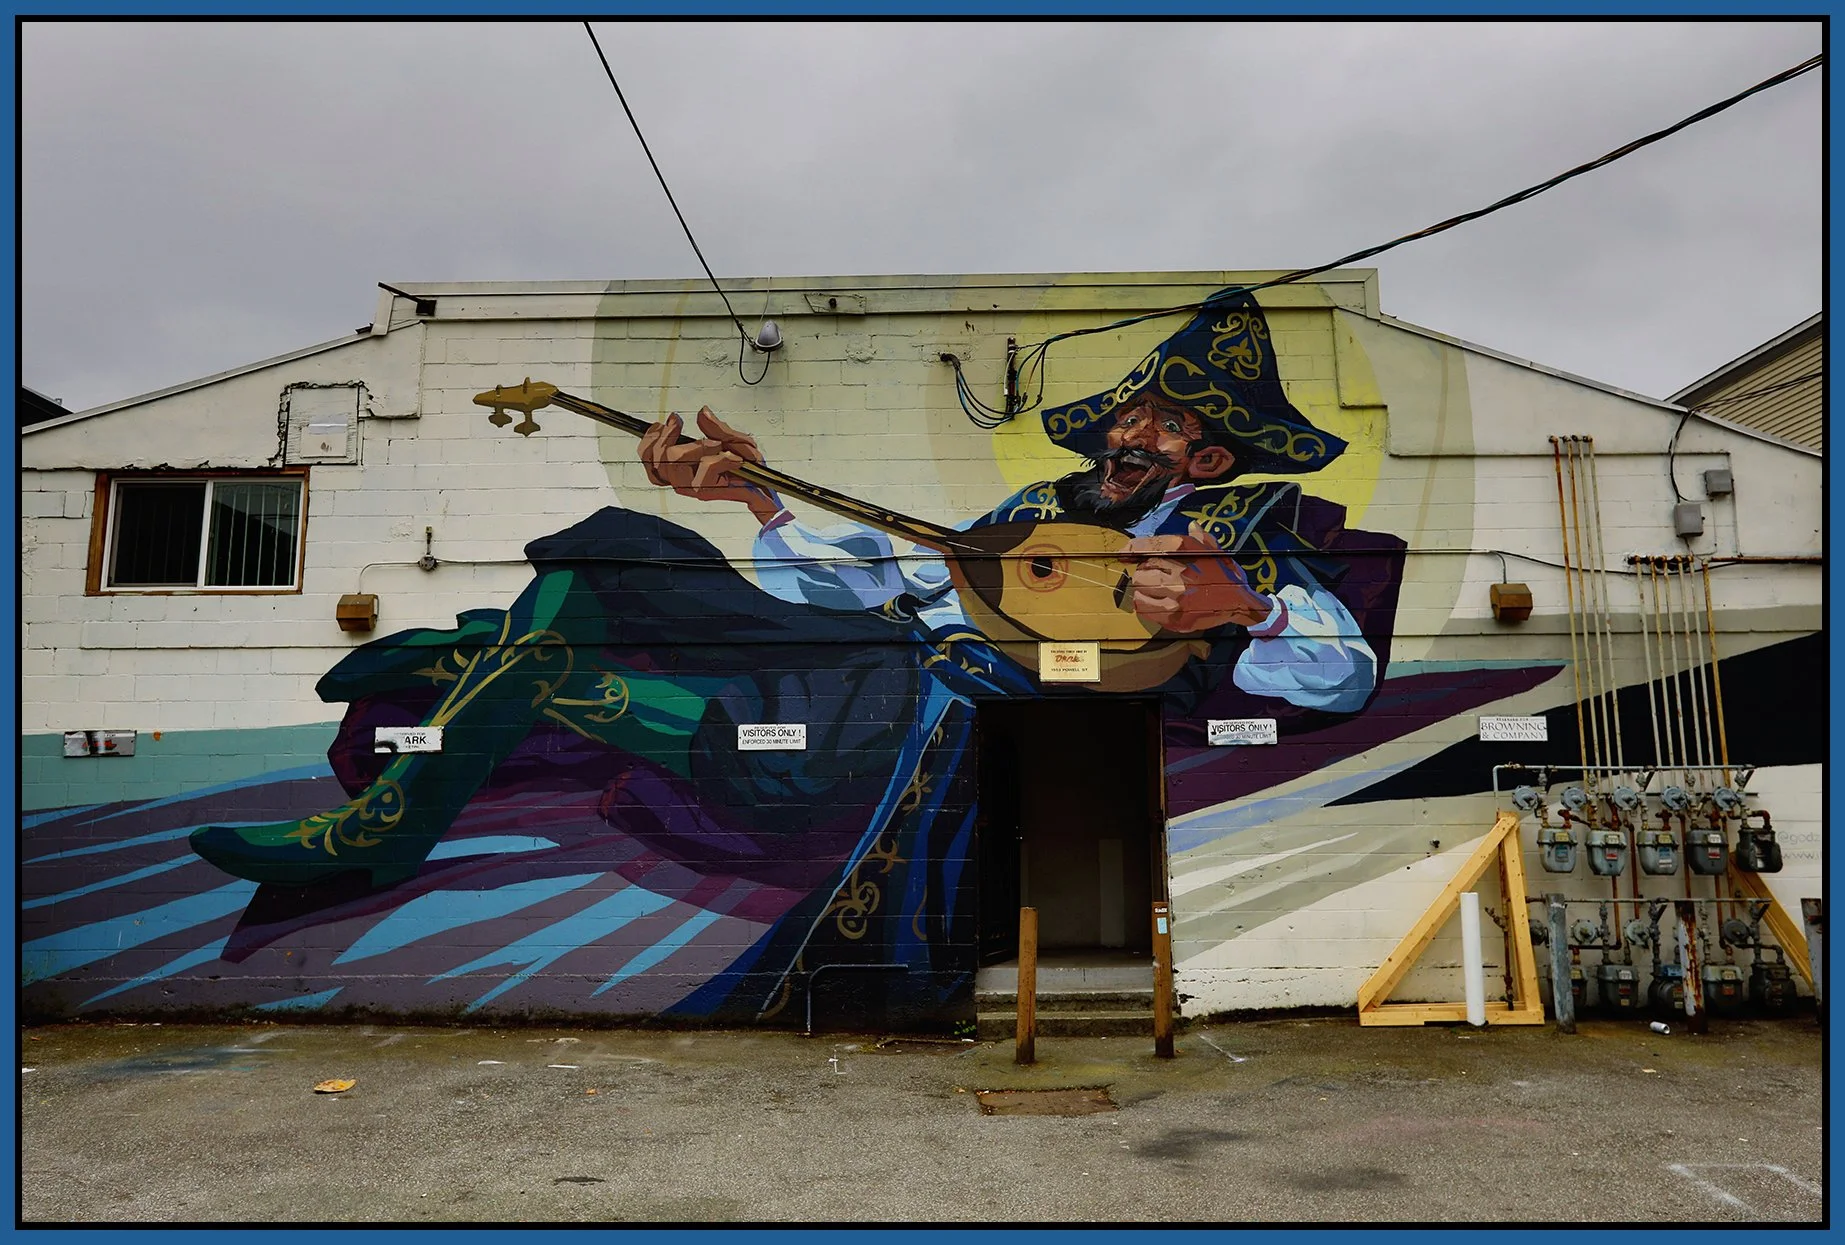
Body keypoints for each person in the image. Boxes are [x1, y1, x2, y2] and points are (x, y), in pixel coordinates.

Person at [188, 287, 1402, 1020]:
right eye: (1134, 410)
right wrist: (756, 507)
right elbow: (899, 574)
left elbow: (1340, 674)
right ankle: (399, 814)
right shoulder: (1035, 507)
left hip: (921, 699)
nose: (1138, 432)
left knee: (834, 708)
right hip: (871, 641)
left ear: (1211, 457)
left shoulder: (1244, 537)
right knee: (615, 539)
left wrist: (1246, 610)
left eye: (1171, 423)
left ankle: (511, 672)